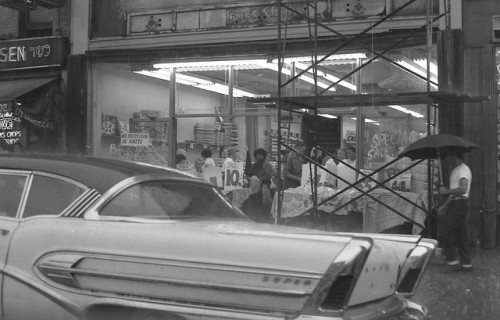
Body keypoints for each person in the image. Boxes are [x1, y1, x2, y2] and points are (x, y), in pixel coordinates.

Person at [437, 150, 473, 272]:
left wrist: (446, 191)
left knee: (445, 231)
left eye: (447, 156)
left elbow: (463, 189)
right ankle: (466, 264)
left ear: (454, 155)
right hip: (456, 203)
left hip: (460, 203)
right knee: (460, 234)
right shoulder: (455, 170)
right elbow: (453, 194)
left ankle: (452, 260)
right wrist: (445, 206)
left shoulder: (463, 170)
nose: (446, 160)